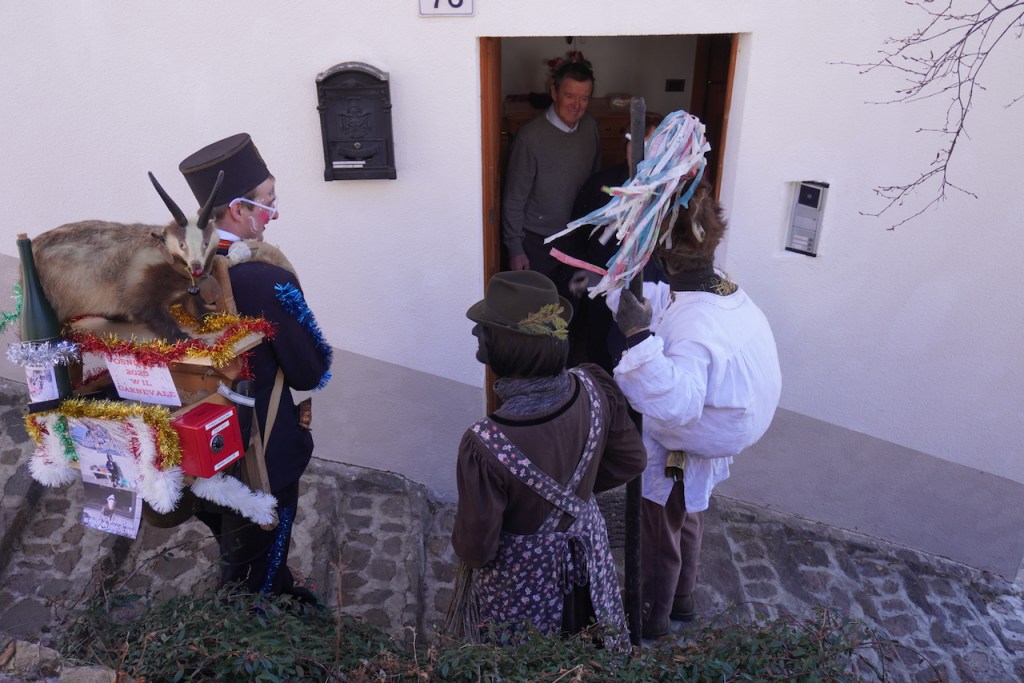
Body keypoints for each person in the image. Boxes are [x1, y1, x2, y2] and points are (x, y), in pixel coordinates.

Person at [609, 180, 782, 639]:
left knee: (659, 526)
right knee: (686, 512)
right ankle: (682, 598)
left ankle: (651, 616)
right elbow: (675, 304)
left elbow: (675, 404)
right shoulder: (721, 287)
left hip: (688, 434)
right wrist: (621, 292)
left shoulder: (697, 323)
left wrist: (637, 336)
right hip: (714, 427)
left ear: (662, 253)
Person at [450, 270, 646, 650]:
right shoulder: (594, 385)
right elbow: (630, 460)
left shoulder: (485, 444)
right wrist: (574, 493)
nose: (475, 332)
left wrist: (547, 503)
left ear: (507, 345)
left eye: (485, 328)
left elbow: (476, 550)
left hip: (524, 595)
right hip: (589, 571)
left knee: (535, 668)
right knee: (592, 655)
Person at [178, 133, 333, 604]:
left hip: (194, 445)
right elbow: (310, 371)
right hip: (258, 453)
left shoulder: (174, 269)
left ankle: (265, 591)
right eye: (267, 202)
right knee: (257, 567)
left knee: (236, 546)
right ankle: (253, 622)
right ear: (236, 209)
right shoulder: (267, 280)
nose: (274, 213)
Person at [558, 112, 665, 371]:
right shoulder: (601, 185)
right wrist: (581, 272)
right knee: (599, 353)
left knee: (639, 361)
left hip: (651, 297)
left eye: (649, 146)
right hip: (601, 289)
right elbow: (577, 237)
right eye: (633, 142)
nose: (639, 152)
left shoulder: (668, 195)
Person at [502, 61, 601, 278]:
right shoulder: (530, 138)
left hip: (577, 238)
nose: (577, 105)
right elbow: (514, 199)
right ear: (554, 92)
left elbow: (595, 181)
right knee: (540, 299)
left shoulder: (590, 126)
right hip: (538, 242)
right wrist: (515, 249)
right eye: (569, 96)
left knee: (571, 298)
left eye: (584, 98)